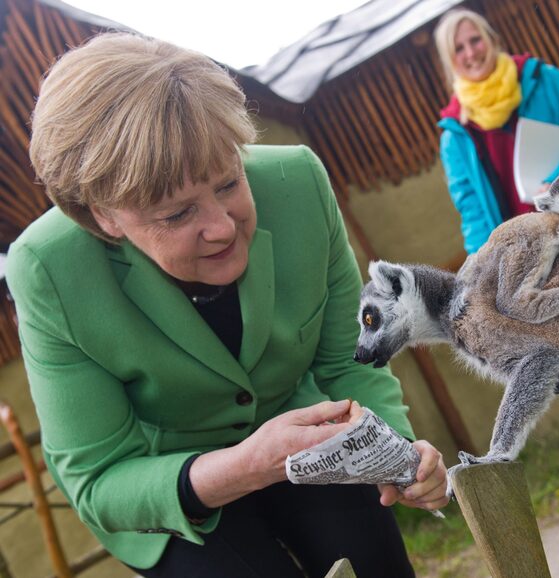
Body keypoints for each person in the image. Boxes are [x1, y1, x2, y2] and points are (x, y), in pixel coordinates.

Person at [6, 33, 448, 578]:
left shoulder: (299, 183)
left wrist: (399, 451)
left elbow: (345, 362)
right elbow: (100, 478)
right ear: (102, 217)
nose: (221, 227)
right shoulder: (47, 270)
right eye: (175, 214)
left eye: (229, 182)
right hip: (171, 490)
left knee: (373, 564)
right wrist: (249, 465)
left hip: (305, 437)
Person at [433, 9, 559, 526]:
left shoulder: (542, 80)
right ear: (450, 61)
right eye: (460, 49)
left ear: (490, 39)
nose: (472, 52)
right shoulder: (455, 131)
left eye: (475, 39)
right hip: (521, 261)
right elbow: (469, 206)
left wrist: (553, 184)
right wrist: (485, 267)